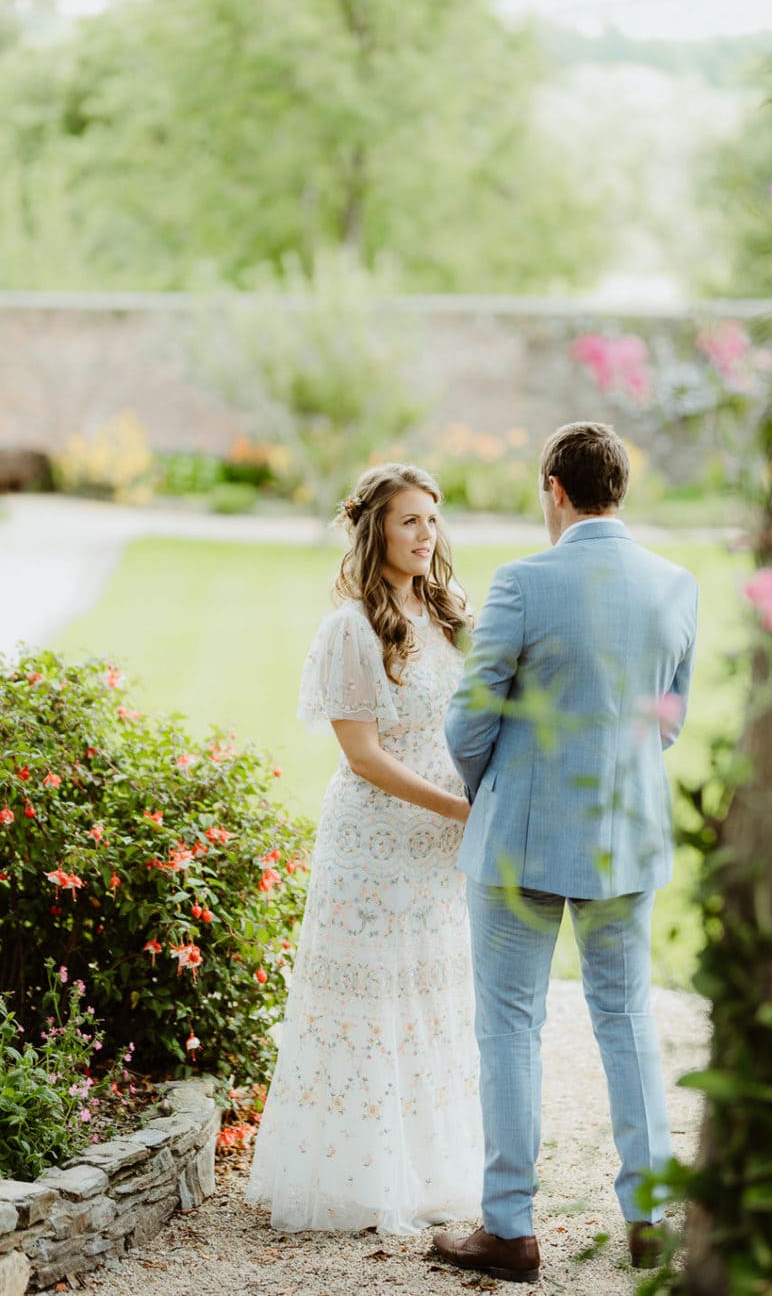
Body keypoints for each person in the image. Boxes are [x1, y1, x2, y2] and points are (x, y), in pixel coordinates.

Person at [434, 421, 698, 1281]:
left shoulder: (522, 581)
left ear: (554, 486)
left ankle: (510, 1228)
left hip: (519, 841)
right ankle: (651, 1217)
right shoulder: (676, 585)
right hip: (626, 836)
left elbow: (469, 720)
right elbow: (669, 717)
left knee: (511, 1026)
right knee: (626, 1020)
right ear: (618, 487)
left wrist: (495, 789)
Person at [245, 463, 482, 1235]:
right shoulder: (350, 627)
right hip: (376, 843)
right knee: (370, 1001)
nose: (426, 535)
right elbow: (364, 755)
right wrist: (457, 806)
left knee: (429, 1000)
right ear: (375, 528)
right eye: (410, 520)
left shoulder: (446, 613)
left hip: (440, 850)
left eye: (433, 520)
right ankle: (356, 1178)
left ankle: (428, 1170)